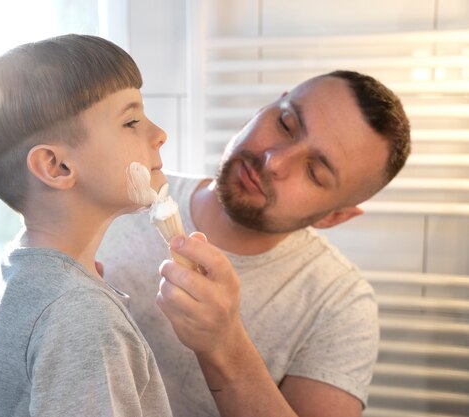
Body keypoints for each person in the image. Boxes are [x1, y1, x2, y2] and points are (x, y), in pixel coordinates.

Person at [97, 70, 411, 417]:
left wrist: (225, 348)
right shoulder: (119, 191)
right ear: (269, 105)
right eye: (286, 124)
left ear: (333, 218)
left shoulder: (339, 305)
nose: (274, 159)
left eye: (314, 172)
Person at [0, 34, 173, 417]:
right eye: (131, 121)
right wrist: (80, 304)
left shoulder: (22, 269)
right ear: (56, 167)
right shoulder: (79, 316)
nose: (159, 134)